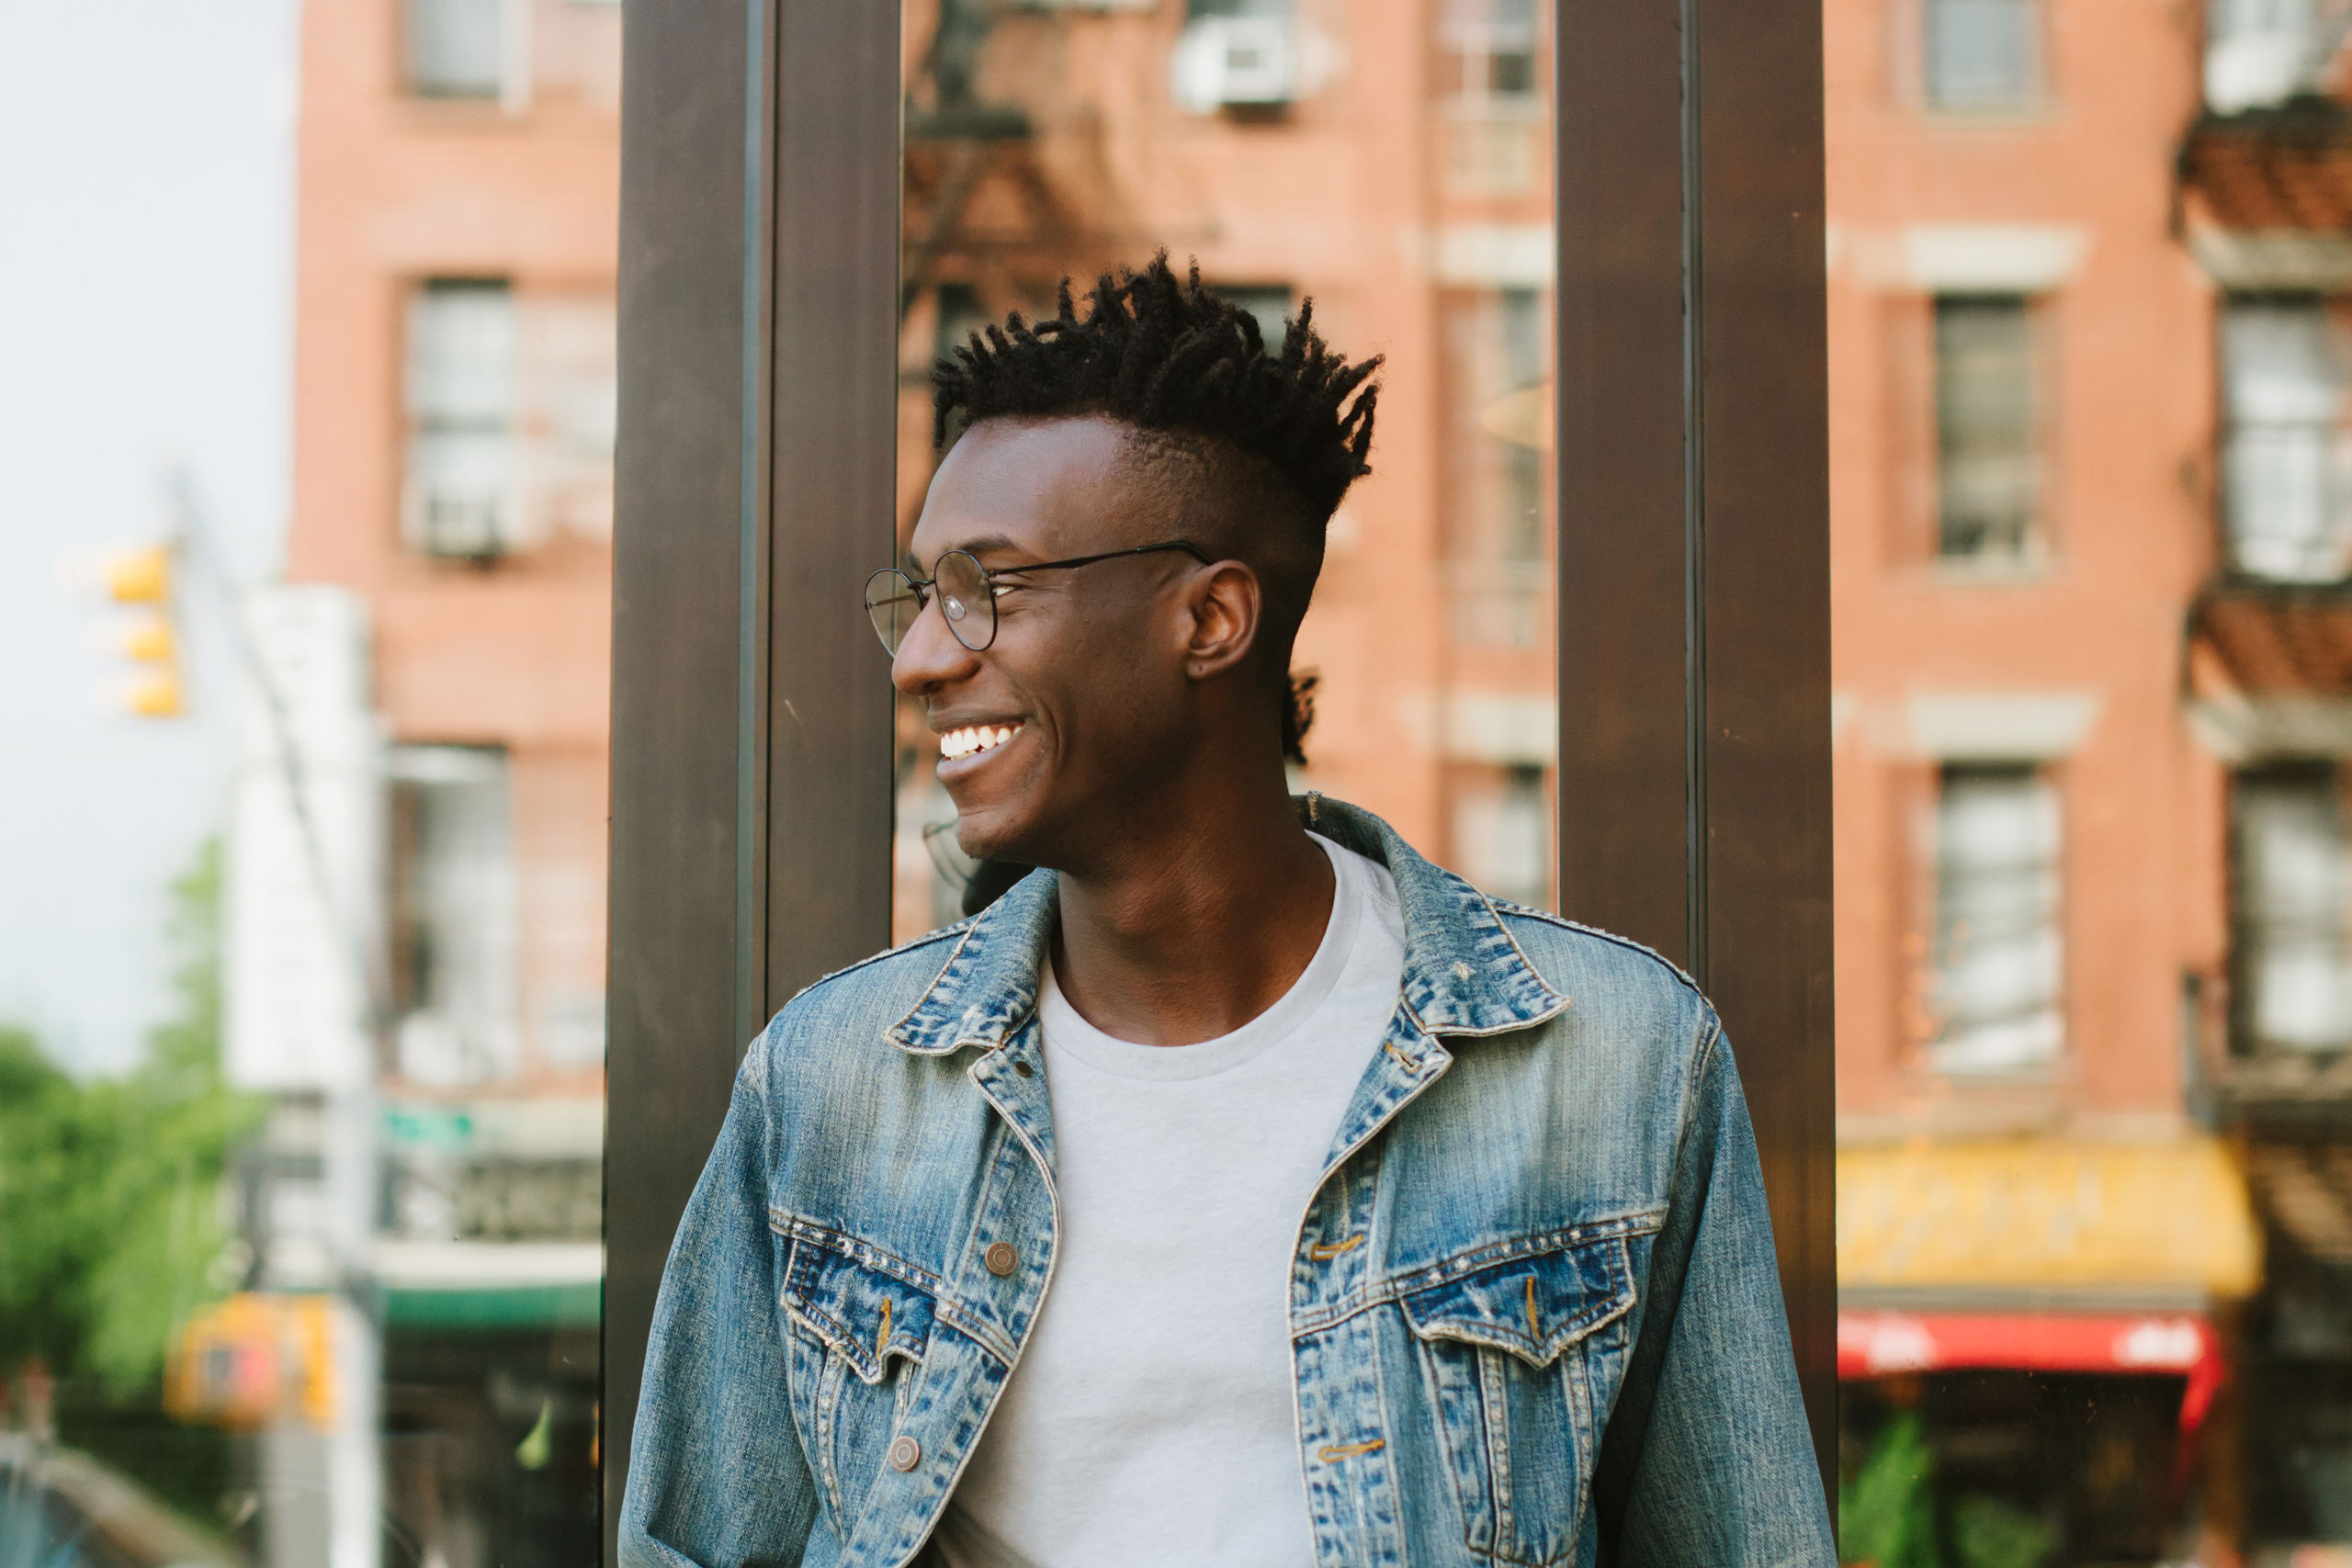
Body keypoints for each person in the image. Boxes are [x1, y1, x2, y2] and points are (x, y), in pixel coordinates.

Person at [619, 256, 1834, 1568]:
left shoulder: (1608, 1064)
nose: (921, 656)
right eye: (919, 597)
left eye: (989, 587)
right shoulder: (835, 1085)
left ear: (1209, 619)